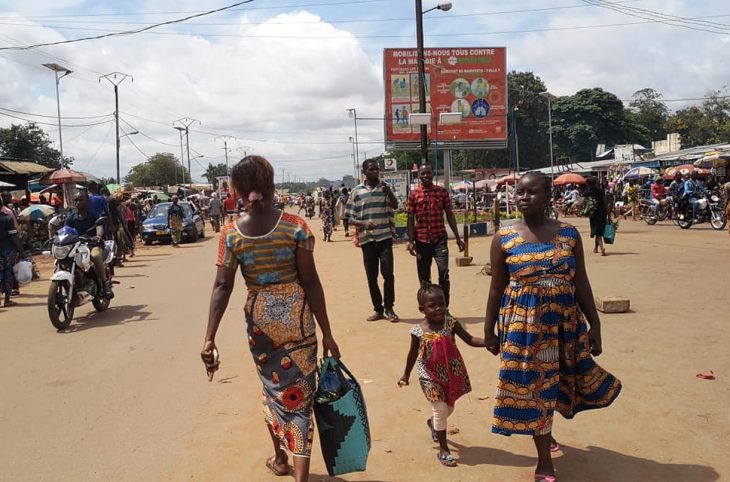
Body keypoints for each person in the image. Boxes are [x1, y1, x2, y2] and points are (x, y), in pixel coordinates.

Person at [201, 155, 341, 482]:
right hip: (299, 319)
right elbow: (311, 283)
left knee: (272, 391)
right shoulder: (296, 227)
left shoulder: (231, 235)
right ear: (271, 186)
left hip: (261, 325)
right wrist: (328, 334)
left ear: (237, 192)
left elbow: (223, 285)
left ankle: (281, 459)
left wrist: (209, 337)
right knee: (300, 399)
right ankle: (298, 472)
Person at [483, 172, 621, 482]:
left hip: (564, 324)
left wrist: (595, 325)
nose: (522, 197)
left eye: (531, 192)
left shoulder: (569, 235)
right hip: (524, 328)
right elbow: (496, 288)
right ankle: (544, 458)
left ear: (548, 197)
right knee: (535, 387)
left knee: (560, 381)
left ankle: (545, 428)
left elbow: (581, 281)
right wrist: (489, 330)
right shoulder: (503, 237)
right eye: (519, 192)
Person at [398, 284, 484, 467]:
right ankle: (444, 449)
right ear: (422, 309)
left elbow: (470, 340)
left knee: (448, 408)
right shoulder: (417, 331)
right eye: (432, 305)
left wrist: (491, 342)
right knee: (440, 409)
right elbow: (412, 354)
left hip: (450, 372)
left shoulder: (450, 323)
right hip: (428, 374)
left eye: (441, 303)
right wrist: (405, 375)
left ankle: (433, 424)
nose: (438, 308)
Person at [344, 159, 400, 322]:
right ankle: (378, 309)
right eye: (371, 169)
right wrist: (363, 223)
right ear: (364, 173)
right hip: (367, 240)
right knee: (371, 276)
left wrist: (388, 192)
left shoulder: (385, 188)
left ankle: (389, 308)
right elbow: (348, 218)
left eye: (377, 169)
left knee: (388, 274)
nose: (375, 172)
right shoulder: (357, 192)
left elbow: (395, 206)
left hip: (385, 237)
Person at [406, 164, 465, 309]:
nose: (426, 176)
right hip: (421, 240)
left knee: (444, 273)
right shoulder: (414, 194)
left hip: (439, 239)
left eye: (428, 173)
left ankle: (445, 307)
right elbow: (410, 219)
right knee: (424, 278)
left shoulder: (442, 192)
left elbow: (450, 215)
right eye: (423, 174)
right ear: (419, 176)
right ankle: (427, 307)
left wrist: (458, 237)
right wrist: (410, 241)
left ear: (433, 174)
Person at [64, 191, 113, 299]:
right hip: (76, 246)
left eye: (81, 200)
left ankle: (104, 285)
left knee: (95, 256)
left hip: (93, 244)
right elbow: (65, 230)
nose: (78, 202)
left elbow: (99, 227)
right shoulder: (71, 218)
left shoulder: (93, 215)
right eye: (76, 200)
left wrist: (97, 236)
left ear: (87, 201)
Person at [0, 194, 25, 307]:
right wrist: (21, 251)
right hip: (7, 251)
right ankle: (7, 299)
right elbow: (13, 237)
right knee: (8, 274)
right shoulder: (7, 218)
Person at [583, 177, 610, 256]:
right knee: (599, 231)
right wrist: (609, 214)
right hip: (602, 213)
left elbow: (582, 203)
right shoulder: (601, 192)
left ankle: (601, 248)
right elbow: (605, 203)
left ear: (588, 184)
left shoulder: (587, 193)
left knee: (596, 231)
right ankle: (595, 248)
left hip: (593, 214)